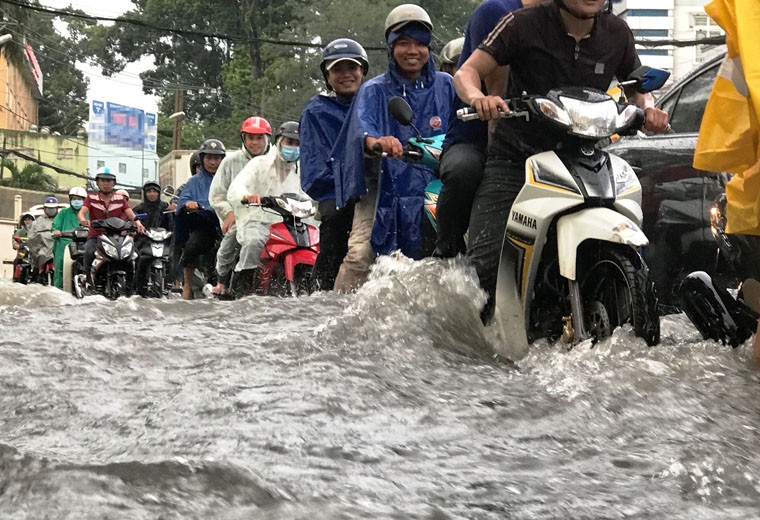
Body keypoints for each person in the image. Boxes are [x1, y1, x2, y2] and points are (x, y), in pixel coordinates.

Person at [453, 0, 669, 321]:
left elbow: (637, 85)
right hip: (518, 159)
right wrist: (478, 97)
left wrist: (648, 107)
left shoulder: (616, 32)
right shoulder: (521, 23)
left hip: (583, 158)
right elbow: (467, 72)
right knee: (484, 269)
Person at [332, 4, 455, 292]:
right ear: (390, 47)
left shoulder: (446, 85)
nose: (413, 51)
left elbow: (464, 126)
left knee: (457, 252)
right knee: (361, 255)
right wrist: (378, 142)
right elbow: (363, 129)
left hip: (437, 182)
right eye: (404, 43)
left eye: (420, 44)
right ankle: (336, 308)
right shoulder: (374, 89)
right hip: (384, 183)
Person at [434, 0, 535, 259]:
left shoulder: (570, 20)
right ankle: (448, 248)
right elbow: (496, 96)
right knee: (463, 170)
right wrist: (482, 101)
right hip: (480, 135)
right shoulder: (496, 12)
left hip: (538, 136)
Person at [300, 38, 369, 291]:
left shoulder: (376, 102)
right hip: (337, 192)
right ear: (328, 77)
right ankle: (321, 293)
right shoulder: (317, 111)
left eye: (352, 68)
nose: (346, 74)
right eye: (338, 69)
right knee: (336, 224)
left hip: (377, 187)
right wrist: (347, 181)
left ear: (363, 71)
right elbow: (314, 167)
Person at [227, 121, 309, 294]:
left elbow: (315, 193)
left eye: (297, 143)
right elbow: (237, 187)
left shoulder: (305, 169)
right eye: (289, 142)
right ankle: (243, 291)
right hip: (259, 219)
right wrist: (247, 196)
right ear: (279, 142)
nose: (293, 147)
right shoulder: (259, 164)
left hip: (291, 223)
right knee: (253, 243)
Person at [208, 116, 272, 296]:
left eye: (259, 138)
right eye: (251, 137)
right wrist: (229, 212)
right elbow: (217, 194)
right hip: (241, 216)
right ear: (244, 139)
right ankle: (223, 281)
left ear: (267, 139)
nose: (255, 142)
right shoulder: (231, 161)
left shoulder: (277, 160)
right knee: (229, 244)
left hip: (274, 215)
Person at [176, 139, 225, 300]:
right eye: (209, 158)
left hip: (228, 224)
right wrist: (188, 204)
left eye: (217, 158)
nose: (213, 162)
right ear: (202, 159)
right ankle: (187, 287)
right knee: (191, 247)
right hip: (206, 227)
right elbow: (183, 201)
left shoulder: (229, 179)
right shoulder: (194, 181)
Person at [78, 167, 145, 286]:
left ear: (114, 183)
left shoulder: (120, 199)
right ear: (97, 182)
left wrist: (138, 223)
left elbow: (130, 214)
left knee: (136, 255)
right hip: (97, 236)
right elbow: (82, 213)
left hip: (118, 236)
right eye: (103, 180)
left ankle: (135, 284)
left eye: (109, 181)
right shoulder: (91, 198)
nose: (106, 184)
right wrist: (83, 220)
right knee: (89, 252)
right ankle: (88, 281)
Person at [132, 180, 174, 295]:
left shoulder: (165, 207)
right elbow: (132, 221)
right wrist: (138, 229)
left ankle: (173, 283)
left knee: (173, 258)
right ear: (145, 194)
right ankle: (138, 286)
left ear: (159, 193)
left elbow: (172, 223)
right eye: (149, 191)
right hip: (144, 240)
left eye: (154, 191)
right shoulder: (139, 208)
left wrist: (171, 233)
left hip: (163, 240)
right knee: (137, 258)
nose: (152, 194)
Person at [51, 187, 86, 289]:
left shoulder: (88, 213)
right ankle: (59, 289)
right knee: (61, 266)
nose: (76, 201)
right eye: (74, 198)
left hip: (84, 244)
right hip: (64, 244)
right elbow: (55, 226)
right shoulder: (63, 213)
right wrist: (56, 231)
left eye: (79, 199)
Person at [27, 196, 59, 281]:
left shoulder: (61, 219)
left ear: (57, 208)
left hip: (58, 249)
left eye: (53, 208)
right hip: (42, 250)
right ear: (44, 209)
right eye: (48, 208)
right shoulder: (37, 222)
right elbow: (31, 238)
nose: (51, 210)